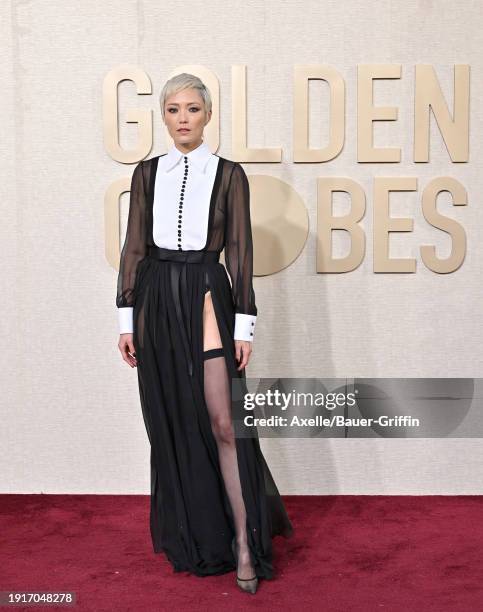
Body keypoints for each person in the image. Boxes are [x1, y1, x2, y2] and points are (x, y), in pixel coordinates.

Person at [116, 72, 293, 595]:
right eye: (173, 110)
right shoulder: (147, 173)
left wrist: (246, 325)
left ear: (207, 115)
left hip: (209, 292)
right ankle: (200, 538)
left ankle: (244, 542)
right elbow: (132, 250)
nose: (183, 118)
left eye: (192, 109)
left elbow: (240, 253)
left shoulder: (229, 174)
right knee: (172, 420)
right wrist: (126, 319)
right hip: (155, 297)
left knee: (222, 422)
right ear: (164, 116)